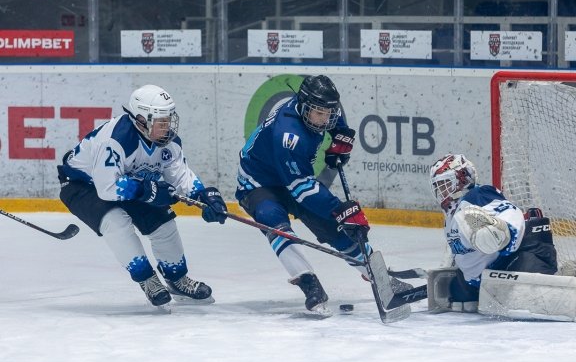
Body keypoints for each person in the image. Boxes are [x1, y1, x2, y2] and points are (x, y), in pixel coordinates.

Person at [57, 84, 228, 309]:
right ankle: (147, 280)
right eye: (161, 121)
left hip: (130, 182)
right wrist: (148, 191)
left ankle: (177, 280)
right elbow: (107, 188)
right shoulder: (116, 140)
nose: (167, 127)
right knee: (116, 222)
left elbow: (179, 175)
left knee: (164, 225)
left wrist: (203, 195)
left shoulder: (169, 143)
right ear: (141, 119)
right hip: (83, 186)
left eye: (169, 119)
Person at [235, 75, 374, 315]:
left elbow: (335, 118)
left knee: (334, 227)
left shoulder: (317, 108)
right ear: (303, 106)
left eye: (328, 113)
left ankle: (374, 269)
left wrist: (341, 137)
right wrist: (340, 210)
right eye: (318, 114)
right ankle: (308, 283)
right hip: (258, 182)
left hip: (292, 176)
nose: (324, 120)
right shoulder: (288, 133)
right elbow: (300, 189)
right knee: (274, 222)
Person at [428, 153, 560, 307]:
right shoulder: (451, 217)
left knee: (527, 295)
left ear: (462, 179)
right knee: (456, 292)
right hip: (481, 280)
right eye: (438, 187)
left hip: (514, 260)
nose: (441, 192)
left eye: (444, 184)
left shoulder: (477, 195)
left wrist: (505, 234)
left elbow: (510, 212)